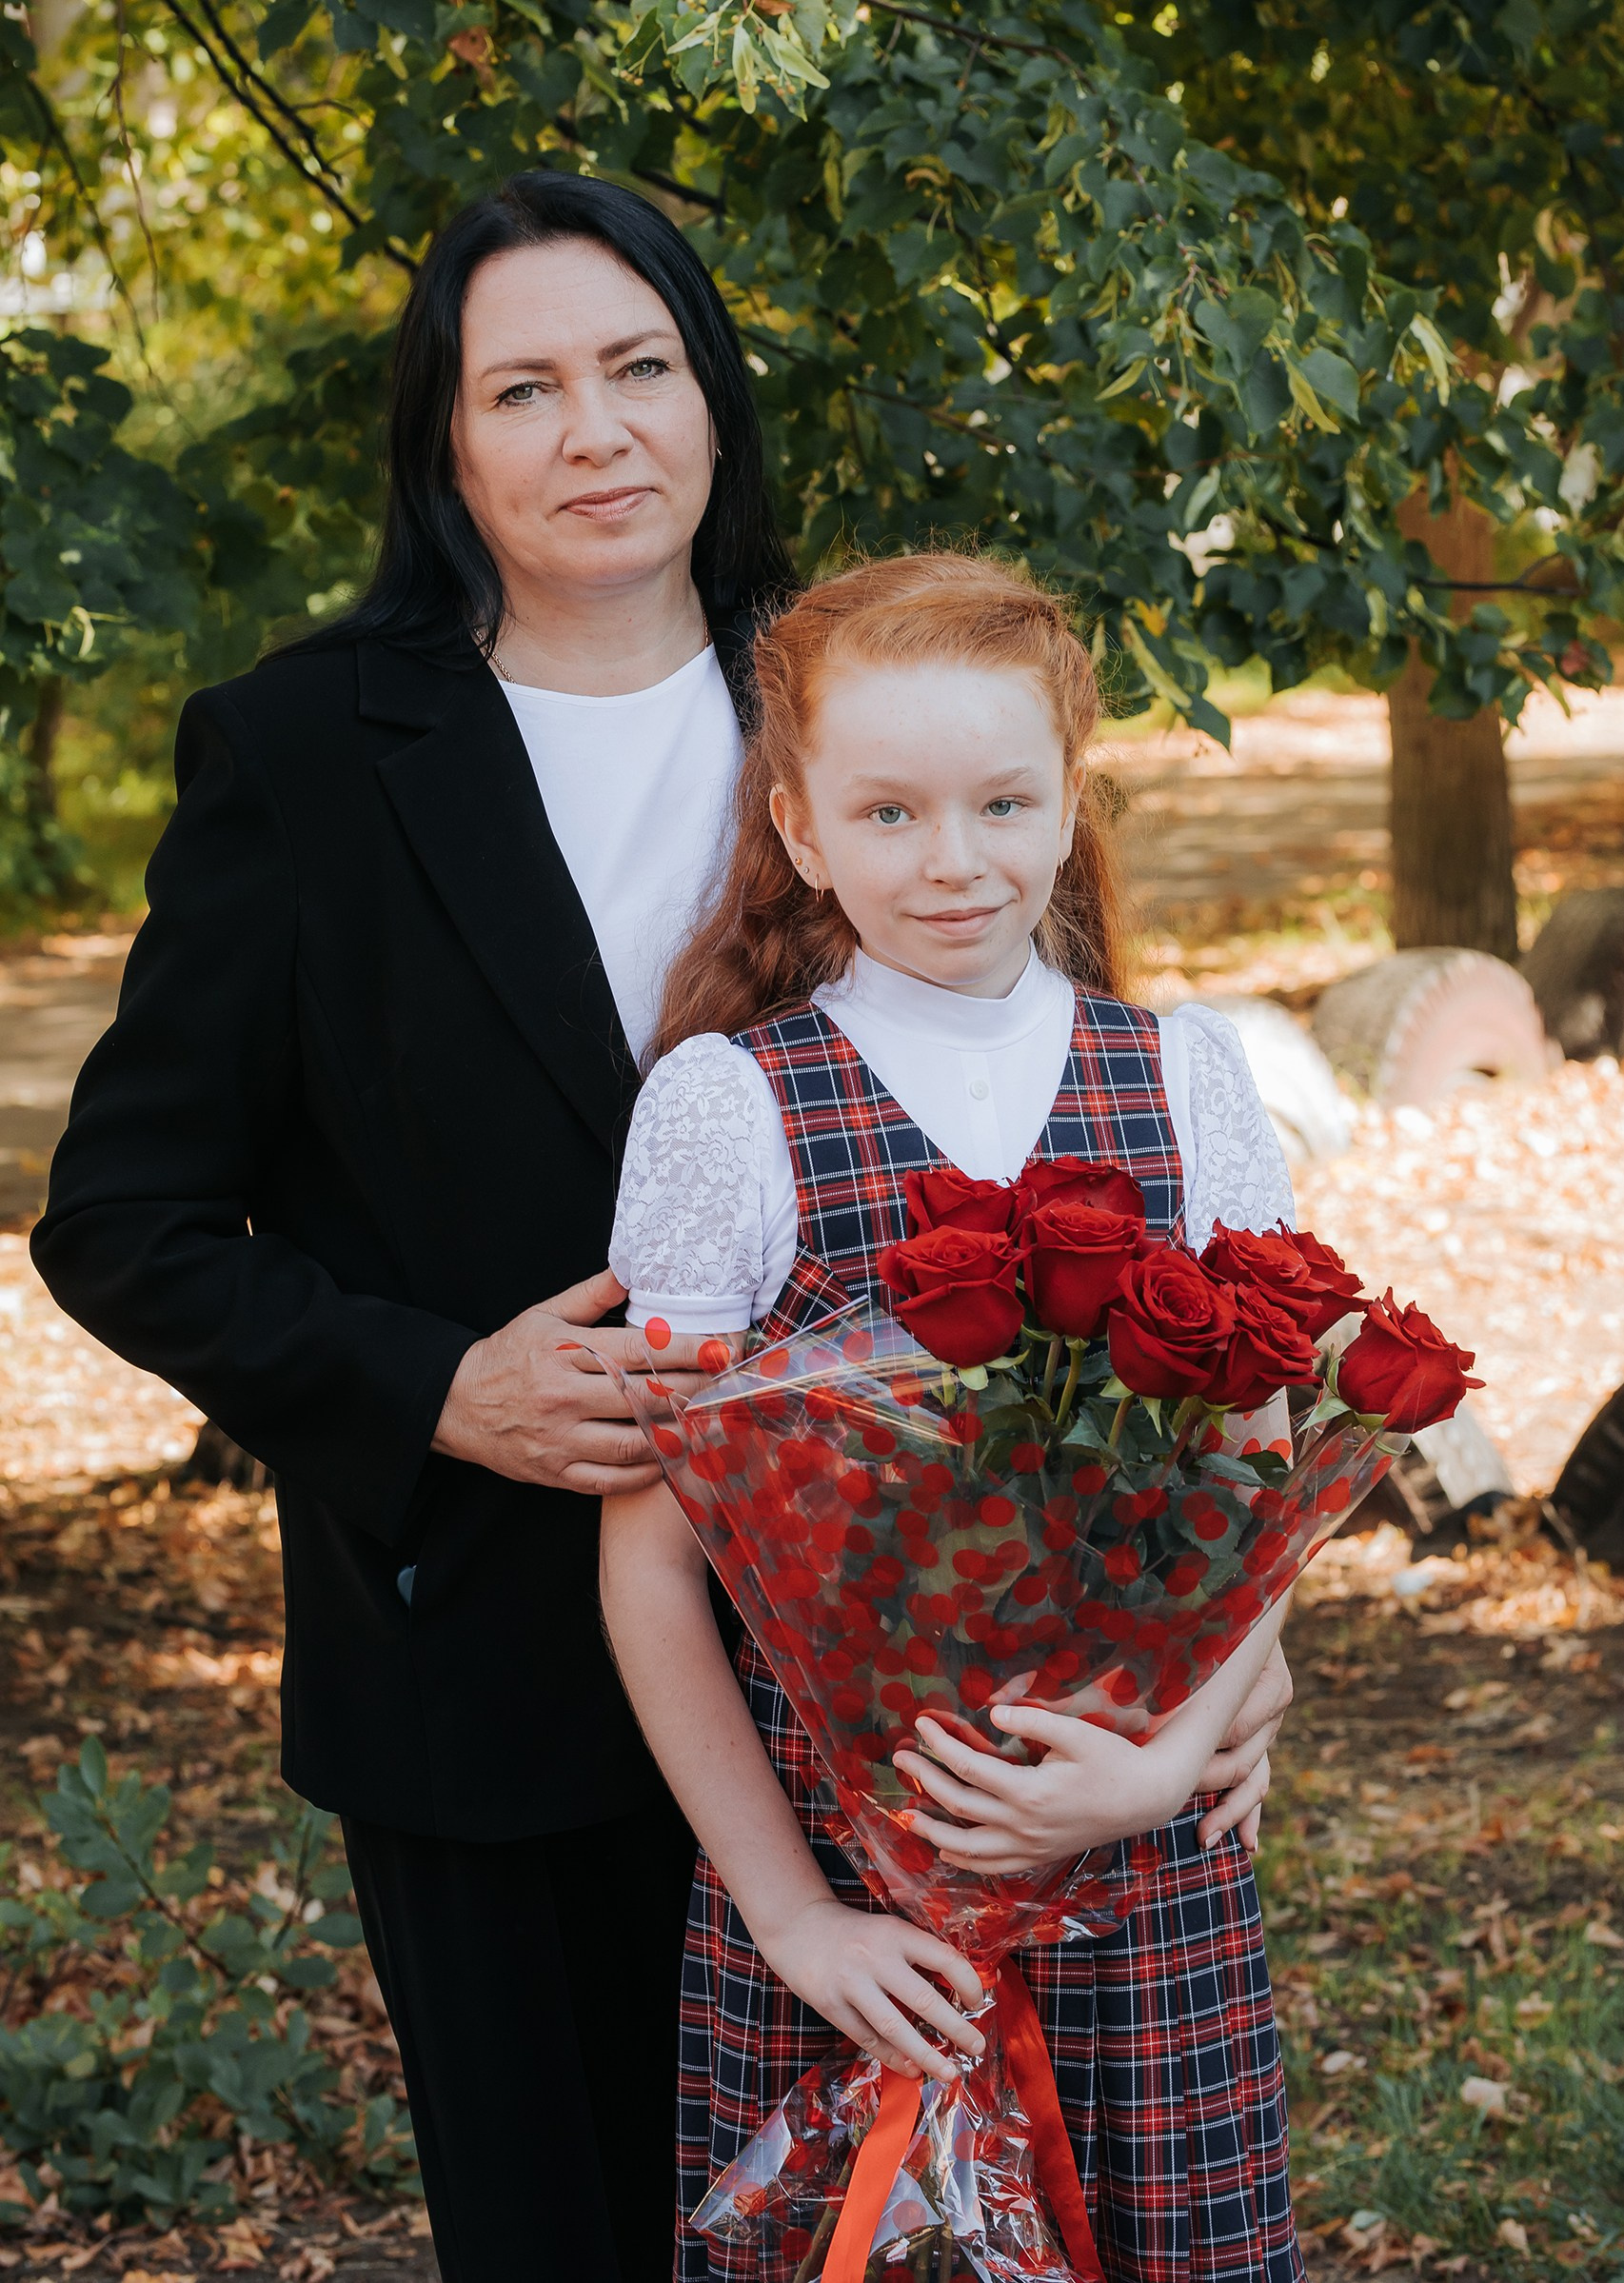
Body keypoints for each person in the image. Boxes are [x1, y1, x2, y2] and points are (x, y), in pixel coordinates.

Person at [29, 170, 796, 2283]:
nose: (597, 429)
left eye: (641, 367)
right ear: (447, 446)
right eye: (525, 386)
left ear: (712, 399)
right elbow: (123, 1217)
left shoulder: (864, 699)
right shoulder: (305, 752)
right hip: (488, 1658)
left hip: (870, 1655)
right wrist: (433, 1383)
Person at [600, 553, 1305, 2283]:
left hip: (1141, 1866)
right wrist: (792, 1914)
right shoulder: (730, 1107)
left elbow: (1260, 1485)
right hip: (861, 1892)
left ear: (1072, 800)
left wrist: (1169, 1750)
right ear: (802, 824)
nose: (954, 857)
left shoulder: (1183, 1074)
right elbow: (650, 1564)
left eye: (1004, 800)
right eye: (890, 810)